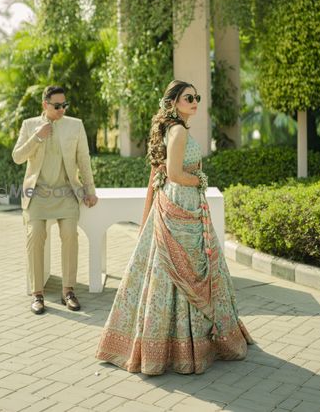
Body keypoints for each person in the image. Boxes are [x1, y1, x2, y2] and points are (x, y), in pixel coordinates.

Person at [96, 79, 253, 374]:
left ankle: (171, 343)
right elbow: (175, 173)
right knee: (183, 267)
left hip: (177, 202)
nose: (194, 102)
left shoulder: (173, 129)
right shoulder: (178, 131)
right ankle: (184, 347)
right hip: (181, 200)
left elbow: (163, 173)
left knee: (171, 268)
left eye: (197, 97)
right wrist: (200, 180)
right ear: (173, 103)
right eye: (188, 98)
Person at [12, 85, 98, 315]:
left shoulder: (75, 125)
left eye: (64, 105)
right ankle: (37, 294)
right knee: (35, 235)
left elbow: (83, 159)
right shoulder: (29, 125)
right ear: (45, 105)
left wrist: (89, 190)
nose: (62, 109)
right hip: (37, 194)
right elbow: (17, 157)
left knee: (70, 234)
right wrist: (37, 137)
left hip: (66, 192)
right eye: (57, 106)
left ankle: (68, 291)